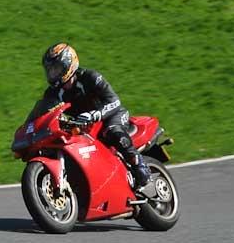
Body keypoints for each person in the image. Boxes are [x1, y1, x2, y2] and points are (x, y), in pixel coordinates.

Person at [33, 42, 153, 187]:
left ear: (69, 64)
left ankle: (140, 166)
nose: (53, 74)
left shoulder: (90, 77)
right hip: (85, 125)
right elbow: (44, 112)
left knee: (113, 132)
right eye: (50, 70)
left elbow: (114, 101)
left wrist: (96, 114)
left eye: (56, 69)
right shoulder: (52, 93)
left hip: (110, 115)